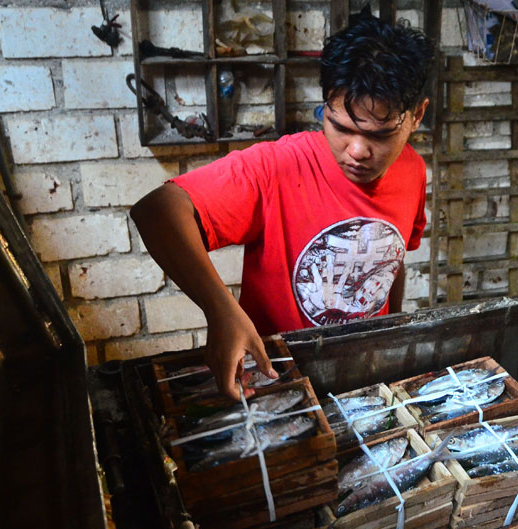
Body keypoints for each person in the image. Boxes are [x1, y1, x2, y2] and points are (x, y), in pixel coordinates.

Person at [130, 7, 433, 399]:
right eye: (340, 127)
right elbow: (157, 210)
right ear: (325, 105)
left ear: (417, 116)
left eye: (380, 135)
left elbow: (393, 260)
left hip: (361, 379)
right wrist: (220, 310)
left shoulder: (412, 171)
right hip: (276, 381)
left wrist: (392, 330)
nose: (357, 151)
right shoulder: (279, 167)